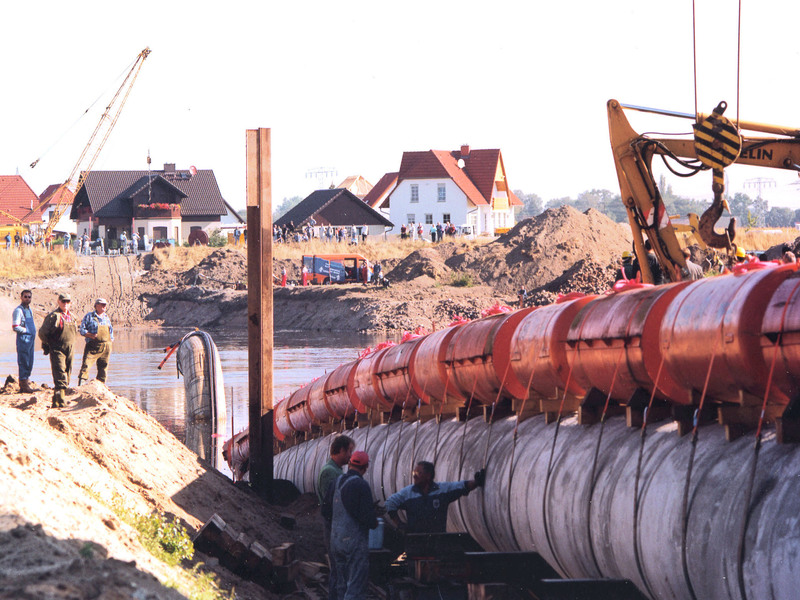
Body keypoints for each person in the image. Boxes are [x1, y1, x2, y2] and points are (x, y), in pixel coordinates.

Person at [384, 461, 486, 534]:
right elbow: (390, 503)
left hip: (437, 540)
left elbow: (461, 486)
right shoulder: (408, 493)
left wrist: (477, 482)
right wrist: (399, 524)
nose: (414, 476)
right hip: (415, 541)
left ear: (428, 475)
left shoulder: (442, 490)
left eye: (418, 473)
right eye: (413, 473)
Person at [328, 451, 377, 600]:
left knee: (340, 583)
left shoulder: (335, 482)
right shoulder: (361, 485)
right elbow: (368, 518)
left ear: (349, 464)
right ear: (366, 466)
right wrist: (374, 522)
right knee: (355, 585)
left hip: (335, 541)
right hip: (353, 543)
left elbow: (325, 511)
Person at [317, 435, 355, 600]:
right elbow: (331, 504)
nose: (350, 456)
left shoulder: (336, 471)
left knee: (339, 569)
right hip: (334, 527)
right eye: (349, 451)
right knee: (339, 570)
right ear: (340, 450)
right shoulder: (329, 472)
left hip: (337, 527)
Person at [38, 292, 78, 408]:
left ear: (70, 303)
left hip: (70, 349)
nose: (65, 304)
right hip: (57, 349)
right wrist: (48, 344)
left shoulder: (73, 317)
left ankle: (55, 400)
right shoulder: (53, 316)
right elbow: (42, 333)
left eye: (67, 302)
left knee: (68, 372)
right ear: (58, 302)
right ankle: (61, 400)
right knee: (60, 373)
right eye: (63, 301)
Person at [78, 298, 114, 385]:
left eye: (105, 305)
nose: (104, 306)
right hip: (92, 346)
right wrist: (90, 335)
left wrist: (110, 340)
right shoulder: (89, 316)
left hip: (106, 347)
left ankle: (101, 388)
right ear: (97, 305)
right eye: (102, 304)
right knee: (86, 365)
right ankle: (80, 386)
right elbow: (82, 330)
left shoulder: (106, 317)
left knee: (103, 368)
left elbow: (111, 332)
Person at [12, 289, 36, 393]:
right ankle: (23, 384)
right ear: (21, 297)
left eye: (29, 297)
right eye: (25, 296)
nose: (27, 298)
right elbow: (15, 327)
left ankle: (26, 381)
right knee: (24, 361)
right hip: (23, 340)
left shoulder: (29, 310)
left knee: (30, 361)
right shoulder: (18, 310)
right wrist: (27, 331)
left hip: (30, 339)